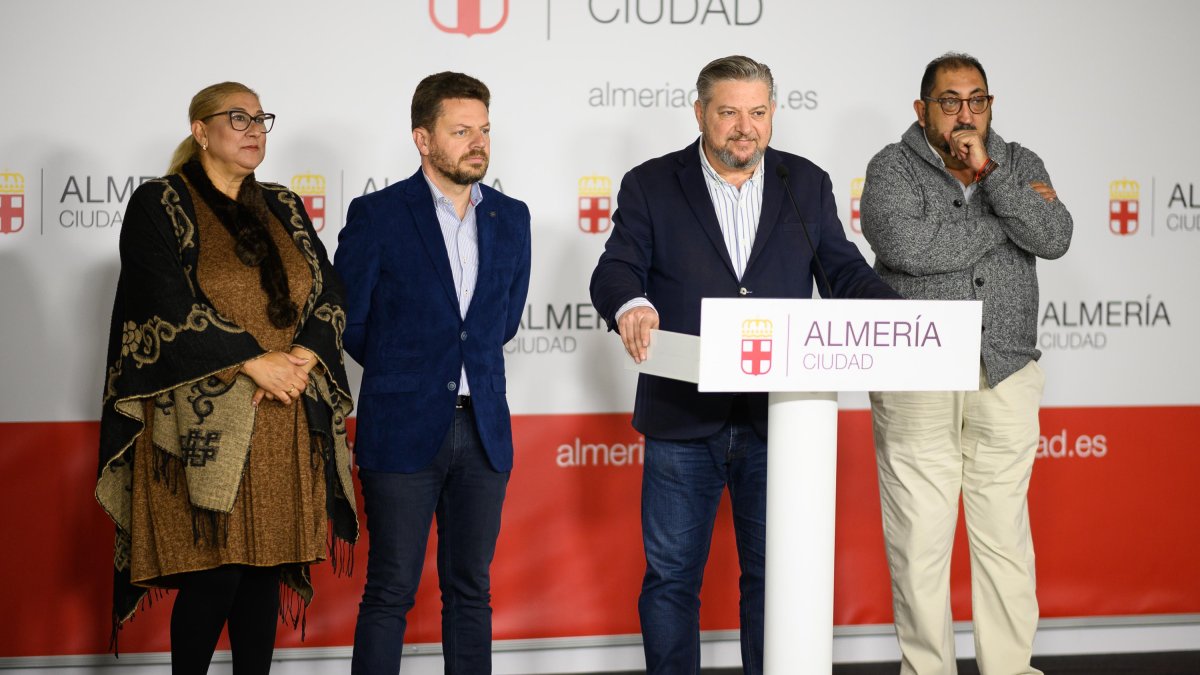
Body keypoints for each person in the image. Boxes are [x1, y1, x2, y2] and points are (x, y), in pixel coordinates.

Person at [589, 55, 898, 675]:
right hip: (682, 417)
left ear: (773, 116)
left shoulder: (803, 183)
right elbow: (616, 267)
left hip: (780, 420)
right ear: (700, 112)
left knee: (774, 578)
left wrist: (896, 314)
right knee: (672, 580)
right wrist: (632, 303)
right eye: (728, 112)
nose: (744, 127)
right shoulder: (651, 183)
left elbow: (841, 270)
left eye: (757, 113)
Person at [96, 81, 359, 674]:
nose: (253, 129)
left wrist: (306, 358)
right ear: (200, 131)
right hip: (201, 426)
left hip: (283, 415)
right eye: (236, 118)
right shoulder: (159, 203)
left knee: (264, 572)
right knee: (215, 575)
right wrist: (253, 360)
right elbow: (163, 299)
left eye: (261, 118)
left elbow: (328, 288)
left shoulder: (284, 205)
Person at [859, 52, 1073, 675]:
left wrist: (993, 179)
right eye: (949, 101)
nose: (964, 114)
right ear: (922, 110)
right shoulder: (890, 168)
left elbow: (1054, 235)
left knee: (1004, 535)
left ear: (990, 105)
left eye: (976, 100)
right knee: (920, 538)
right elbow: (906, 249)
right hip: (917, 370)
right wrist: (1005, 223)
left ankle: (1010, 668)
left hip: (1004, 367)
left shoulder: (1020, 163)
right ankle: (927, 670)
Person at [335, 71, 531, 675]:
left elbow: (501, 321)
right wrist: (412, 372)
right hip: (402, 427)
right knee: (390, 590)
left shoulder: (513, 216)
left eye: (485, 130)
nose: (479, 142)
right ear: (423, 139)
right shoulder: (378, 214)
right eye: (462, 130)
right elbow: (351, 319)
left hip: (484, 431)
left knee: (471, 589)